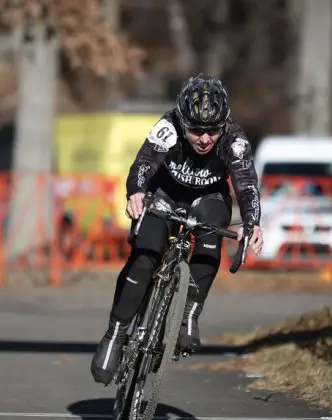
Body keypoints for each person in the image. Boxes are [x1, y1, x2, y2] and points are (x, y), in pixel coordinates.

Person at [90, 73, 264, 385]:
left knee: (211, 239)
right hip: (164, 194)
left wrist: (252, 222)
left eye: (213, 131)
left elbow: (247, 184)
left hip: (209, 198)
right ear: (182, 121)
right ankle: (115, 335)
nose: (205, 139)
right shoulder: (168, 126)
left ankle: (188, 315)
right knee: (145, 255)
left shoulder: (234, 139)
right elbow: (144, 163)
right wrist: (137, 192)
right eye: (196, 130)